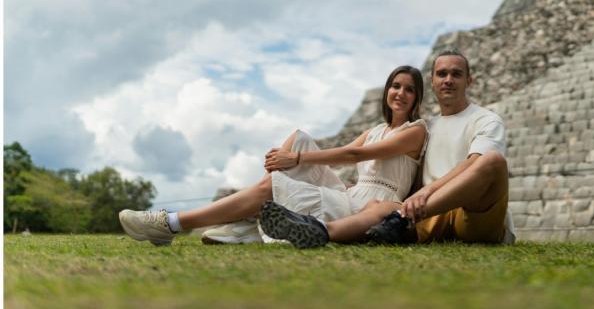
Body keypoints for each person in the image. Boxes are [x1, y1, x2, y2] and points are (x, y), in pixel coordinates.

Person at [118, 65, 428, 246]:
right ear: (387, 91)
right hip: (351, 194)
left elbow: (352, 154)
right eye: (395, 86)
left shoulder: (416, 131)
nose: (400, 93)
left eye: (409, 89)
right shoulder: (377, 129)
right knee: (300, 138)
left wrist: (296, 162)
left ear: (417, 98)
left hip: (369, 205)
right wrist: (292, 158)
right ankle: (249, 221)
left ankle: (170, 224)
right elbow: (340, 159)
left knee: (277, 179)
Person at [259, 50, 514, 248]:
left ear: (469, 80)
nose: (448, 80)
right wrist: (360, 186)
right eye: (442, 74)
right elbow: (406, 174)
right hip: (423, 217)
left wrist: (426, 194)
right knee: (382, 207)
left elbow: (475, 163)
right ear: (433, 83)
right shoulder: (424, 129)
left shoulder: (485, 120)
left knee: (494, 161)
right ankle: (321, 230)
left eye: (456, 74)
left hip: (470, 216)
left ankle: (398, 219)